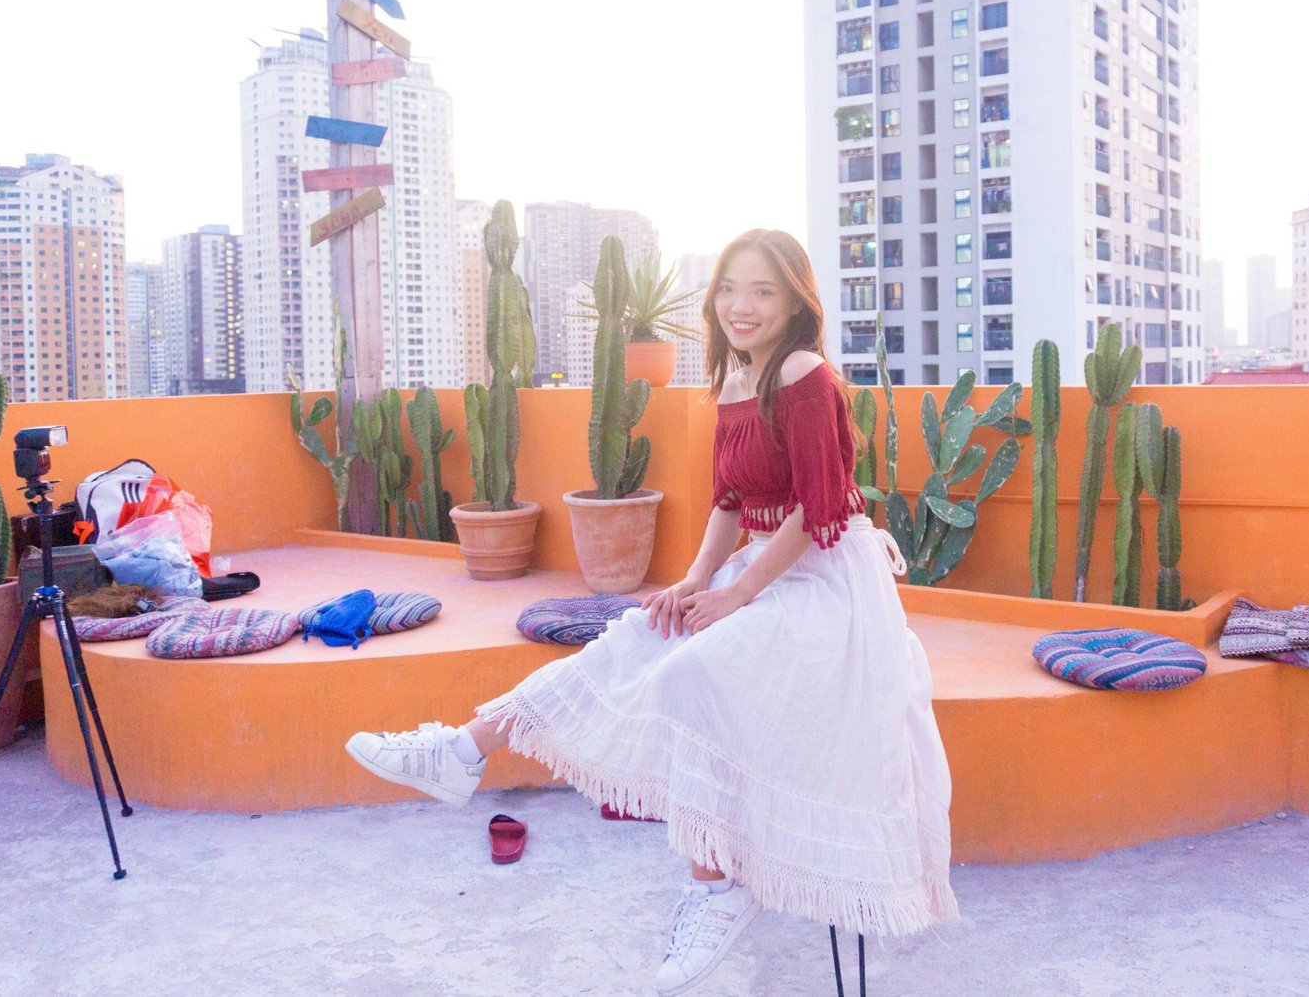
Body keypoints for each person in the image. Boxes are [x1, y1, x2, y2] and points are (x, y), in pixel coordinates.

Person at [345, 228, 958, 996]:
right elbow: (730, 501)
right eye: (730, 287)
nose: (742, 305)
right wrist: (694, 580)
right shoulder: (737, 376)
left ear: (795, 300)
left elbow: (819, 508)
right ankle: (460, 751)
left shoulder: (802, 373)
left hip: (826, 580)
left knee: (696, 673)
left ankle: (717, 885)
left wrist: (736, 593)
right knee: (634, 639)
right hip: (758, 568)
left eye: (763, 291)